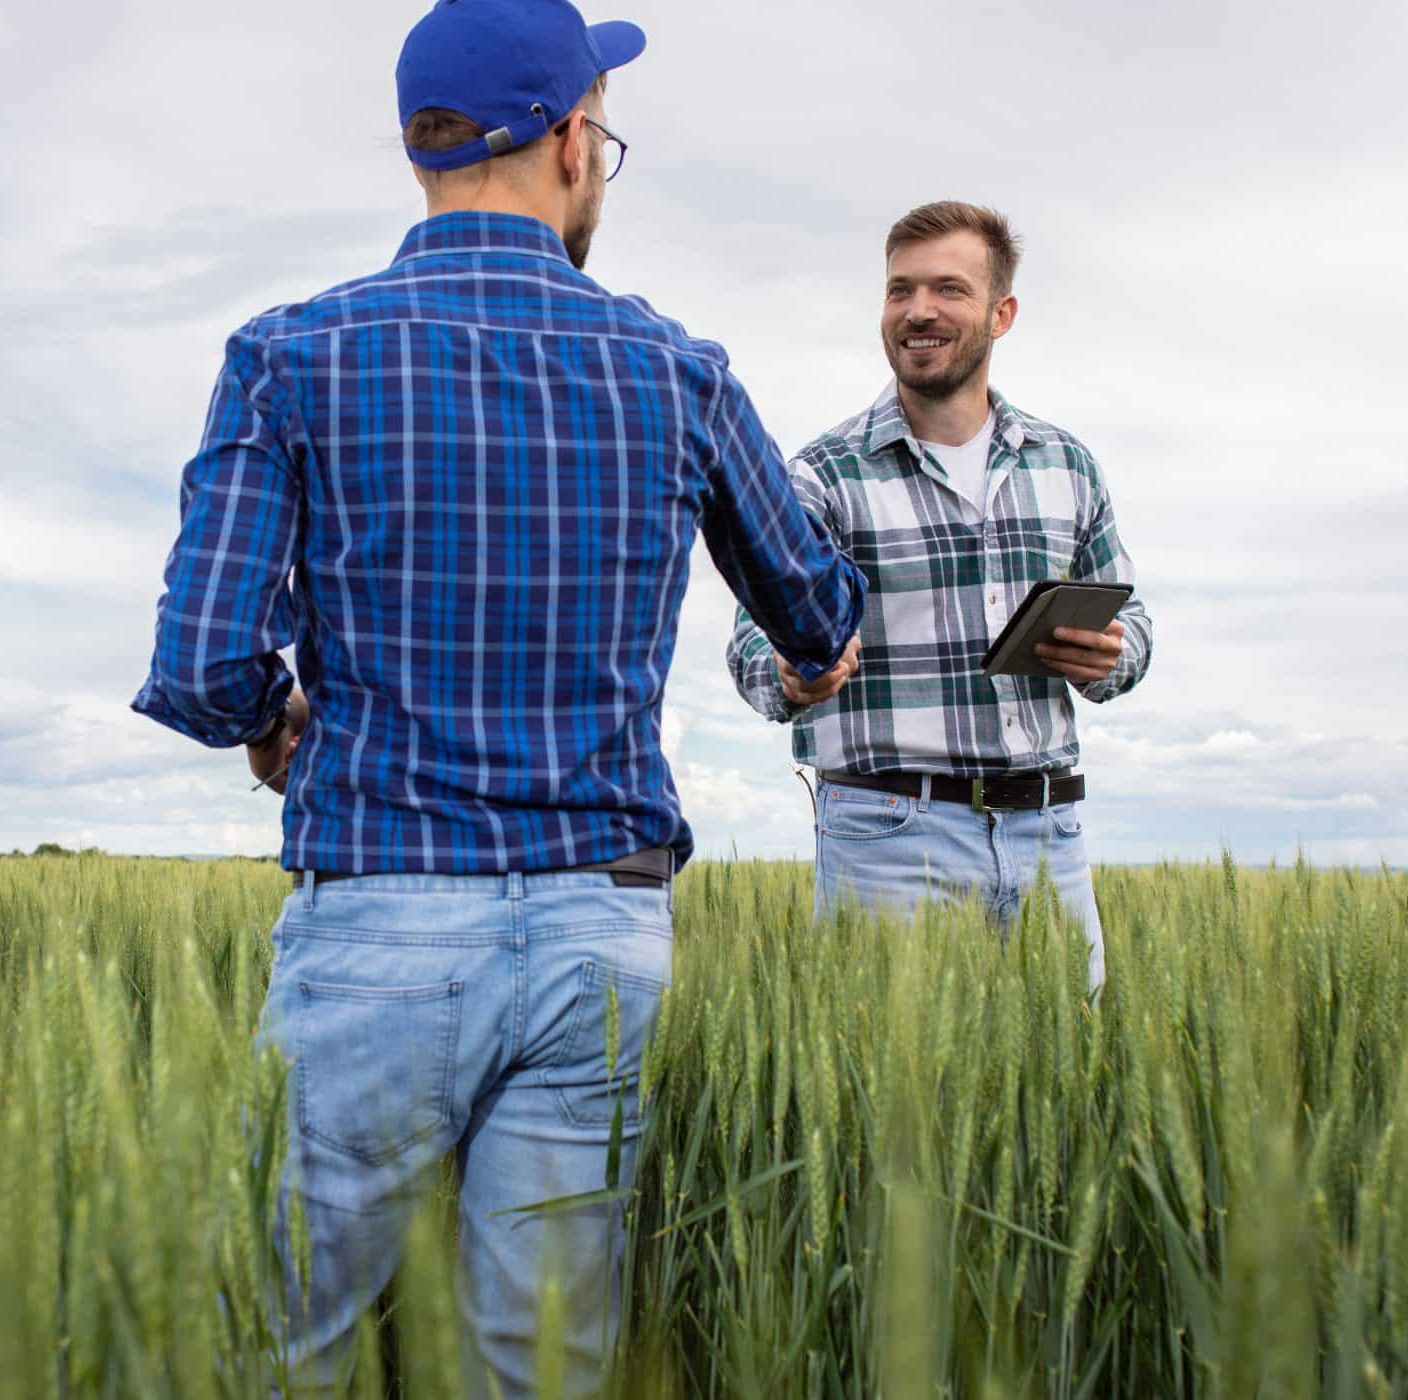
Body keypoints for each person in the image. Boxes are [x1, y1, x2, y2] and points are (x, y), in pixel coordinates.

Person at [131, 0, 865, 1389]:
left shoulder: (290, 355)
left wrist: (283, 725)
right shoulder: (676, 367)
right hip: (600, 932)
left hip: (378, 922)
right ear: (575, 141)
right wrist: (813, 647)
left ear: (423, 148)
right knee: (540, 1366)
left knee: (293, 1352)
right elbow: (818, 611)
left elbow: (203, 666)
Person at [726, 201, 1152, 990]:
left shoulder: (1068, 464)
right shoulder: (823, 474)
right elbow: (754, 634)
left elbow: (1130, 621)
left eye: (948, 290)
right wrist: (789, 672)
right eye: (899, 291)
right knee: (896, 1110)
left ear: (1002, 312)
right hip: (890, 838)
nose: (918, 311)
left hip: (1049, 832)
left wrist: (1110, 656)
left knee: (1061, 1102)